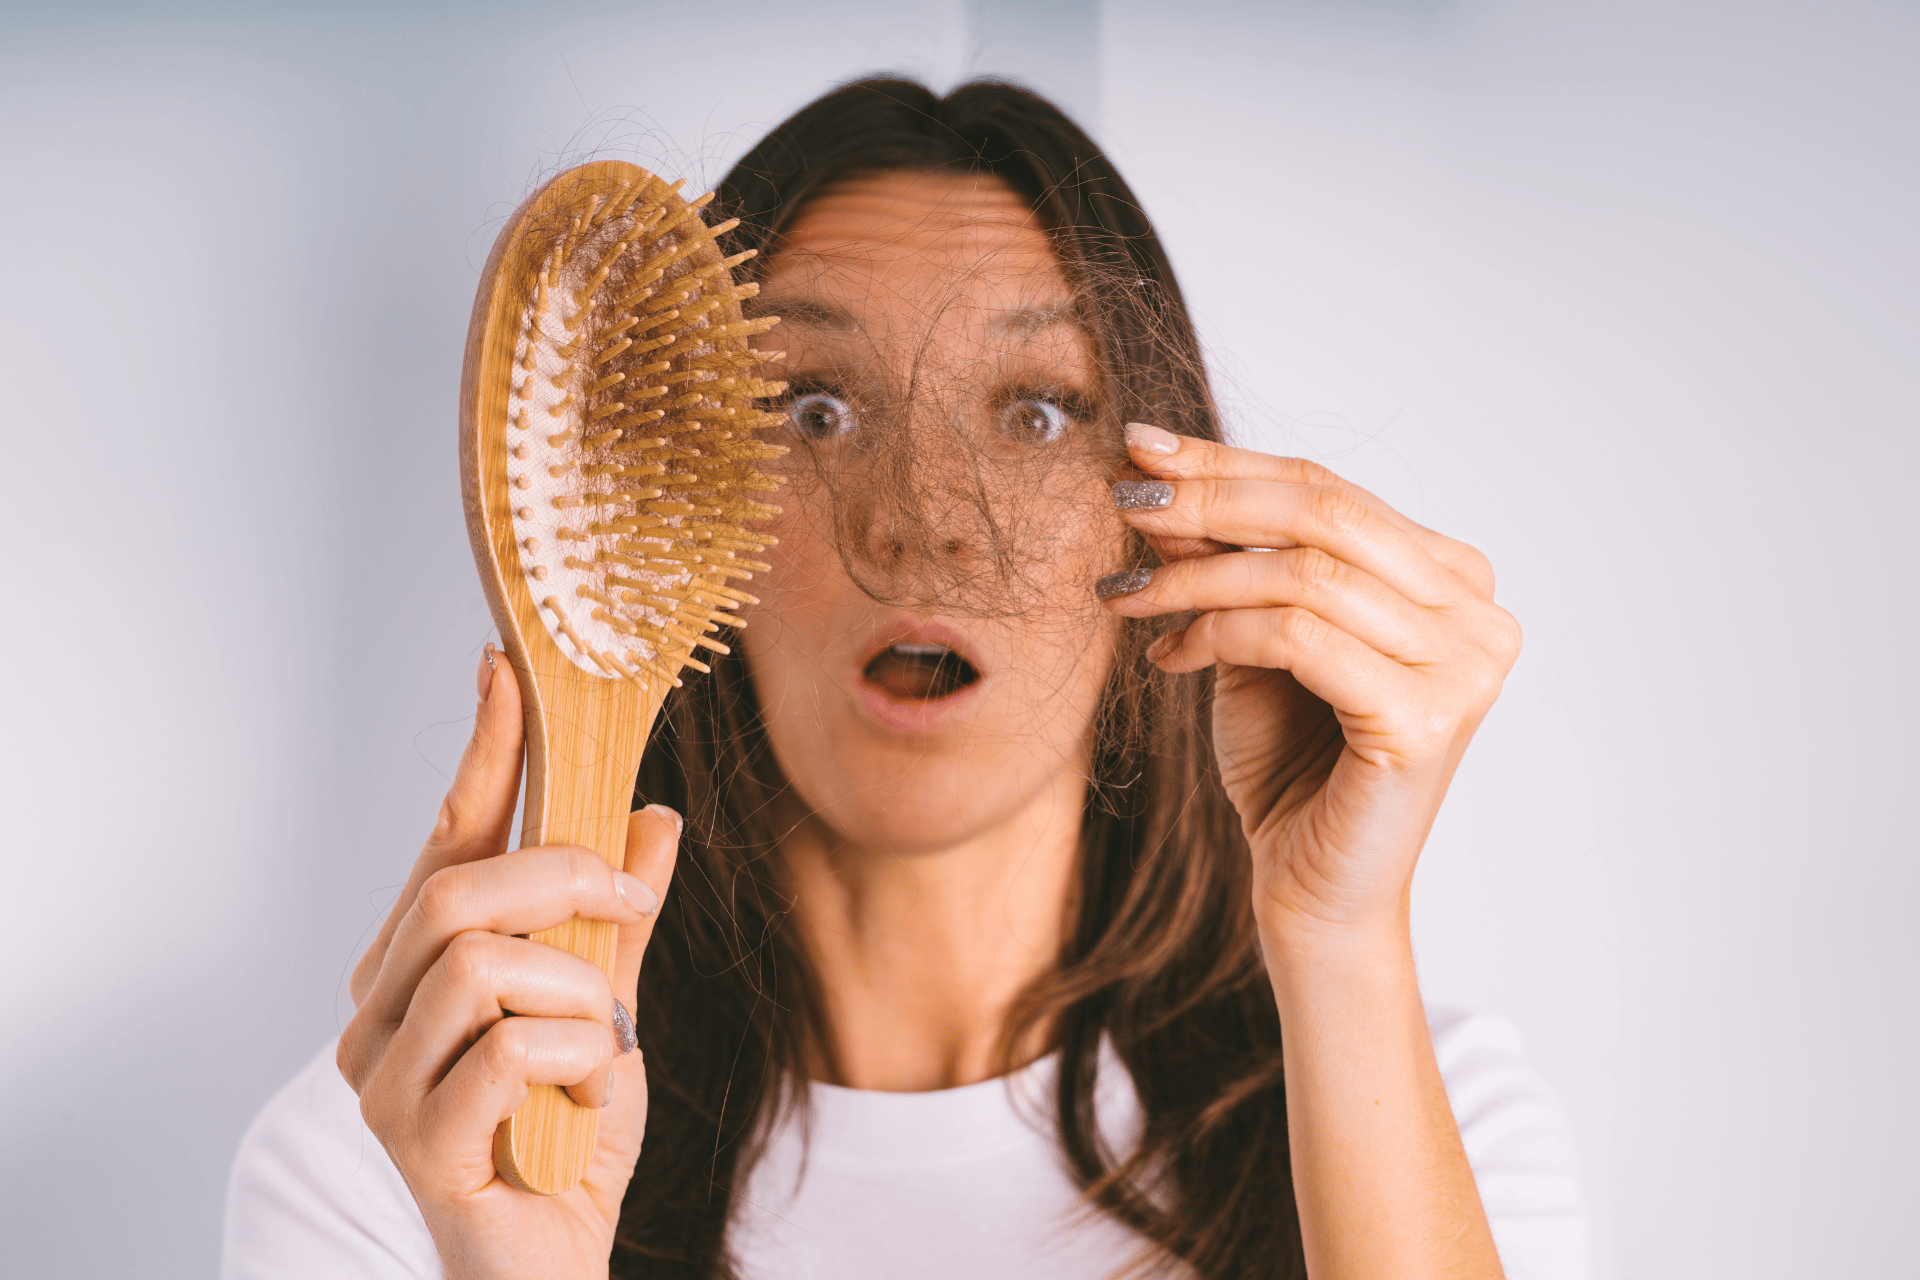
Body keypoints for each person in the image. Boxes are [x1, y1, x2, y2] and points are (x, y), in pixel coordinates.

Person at [223, 78, 1589, 1280]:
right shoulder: (399, 1172)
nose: (924, 518)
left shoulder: (1429, 1120)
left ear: (1161, 510)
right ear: (675, 506)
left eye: (1036, 410)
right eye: (817, 409)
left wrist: (1341, 941)